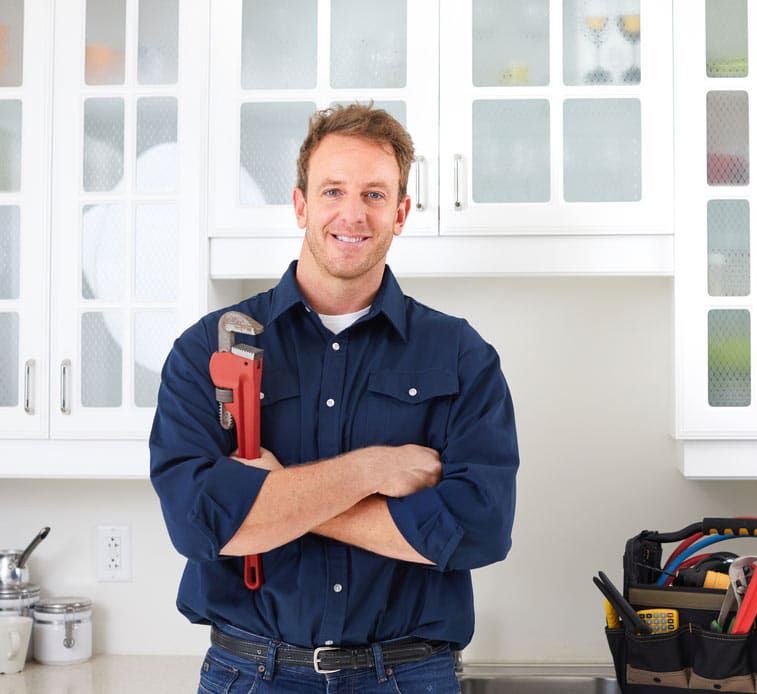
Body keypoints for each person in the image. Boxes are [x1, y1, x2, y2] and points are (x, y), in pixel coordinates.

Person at [150, 104, 519, 693]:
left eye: (375, 195)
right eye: (333, 191)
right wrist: (373, 469)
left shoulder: (461, 356)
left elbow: (477, 528)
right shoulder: (207, 349)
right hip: (250, 675)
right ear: (300, 204)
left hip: (408, 676)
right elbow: (202, 525)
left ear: (400, 213)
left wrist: (277, 501)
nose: (353, 213)